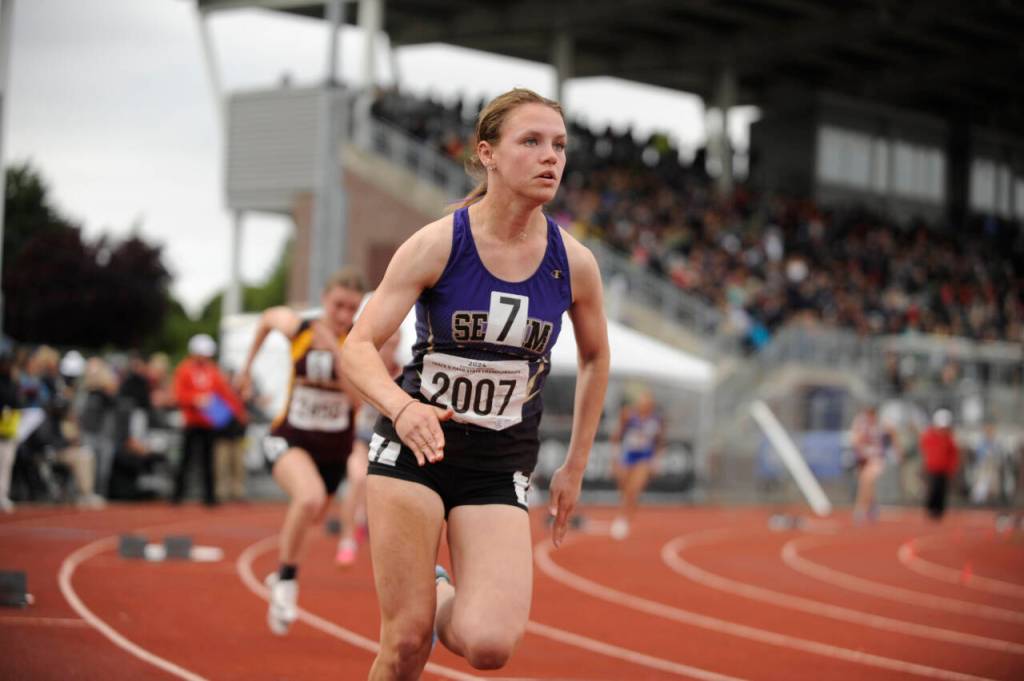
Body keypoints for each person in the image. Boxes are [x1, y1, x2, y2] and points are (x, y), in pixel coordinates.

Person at [340, 87, 610, 679]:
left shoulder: (575, 263)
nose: (551, 158)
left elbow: (595, 358)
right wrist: (400, 406)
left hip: (498, 464)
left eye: (560, 145)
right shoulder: (439, 242)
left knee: (489, 646)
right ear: (487, 154)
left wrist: (576, 465)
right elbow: (356, 346)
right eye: (532, 141)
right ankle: (419, 612)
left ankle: (437, 592)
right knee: (406, 643)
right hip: (415, 450)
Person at [235, 268, 365, 636]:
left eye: (351, 308)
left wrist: (337, 356)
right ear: (325, 300)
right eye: (338, 305)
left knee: (310, 518)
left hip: (334, 450)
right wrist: (246, 369)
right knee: (307, 499)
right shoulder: (301, 330)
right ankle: (288, 582)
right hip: (290, 436)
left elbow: (358, 402)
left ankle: (282, 573)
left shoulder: (358, 343)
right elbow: (267, 318)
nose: (343, 315)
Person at [335, 328, 402, 567]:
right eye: (387, 343)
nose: (390, 349)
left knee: (392, 494)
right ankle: (346, 540)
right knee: (357, 479)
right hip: (362, 439)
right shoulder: (365, 369)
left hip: (390, 441)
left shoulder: (403, 372)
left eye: (395, 344)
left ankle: (369, 523)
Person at [172, 334, 246, 507]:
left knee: (208, 461)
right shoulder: (184, 369)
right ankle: (177, 495)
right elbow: (179, 395)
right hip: (191, 421)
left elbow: (224, 393)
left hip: (209, 422)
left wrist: (238, 412)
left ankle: (209, 497)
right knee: (186, 459)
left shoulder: (212, 370)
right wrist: (196, 399)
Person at [609, 389, 664, 540]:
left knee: (634, 489)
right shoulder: (628, 415)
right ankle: (626, 513)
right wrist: (614, 458)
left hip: (644, 457)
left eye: (647, 402)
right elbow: (617, 436)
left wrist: (657, 459)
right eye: (642, 401)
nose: (644, 404)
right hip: (628, 455)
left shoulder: (656, 419)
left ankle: (623, 518)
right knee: (624, 489)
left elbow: (659, 440)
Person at [849, 402, 887, 523]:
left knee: (866, 481)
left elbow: (891, 432)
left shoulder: (878, 425)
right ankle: (872, 506)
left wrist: (897, 449)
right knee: (865, 482)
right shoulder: (861, 423)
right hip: (863, 459)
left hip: (876, 458)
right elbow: (856, 440)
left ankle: (861, 508)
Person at [920, 408, 959, 520]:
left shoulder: (948, 438)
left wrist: (952, 467)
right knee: (933, 489)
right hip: (932, 468)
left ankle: (939, 511)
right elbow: (925, 449)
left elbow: (953, 453)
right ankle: (930, 509)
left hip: (944, 469)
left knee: (942, 490)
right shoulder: (930, 436)